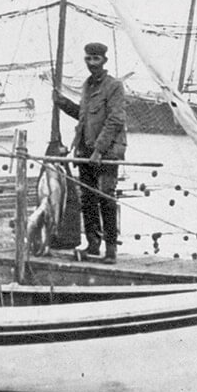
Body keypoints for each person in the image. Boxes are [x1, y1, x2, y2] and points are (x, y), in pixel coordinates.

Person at [54, 42, 127, 263]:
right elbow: (84, 117)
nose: (92, 63)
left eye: (96, 59)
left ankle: (111, 249)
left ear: (104, 60)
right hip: (85, 150)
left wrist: (99, 151)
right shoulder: (87, 85)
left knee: (106, 197)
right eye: (88, 58)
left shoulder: (114, 86)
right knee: (87, 199)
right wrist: (62, 103)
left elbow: (115, 120)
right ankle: (93, 245)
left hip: (108, 152)